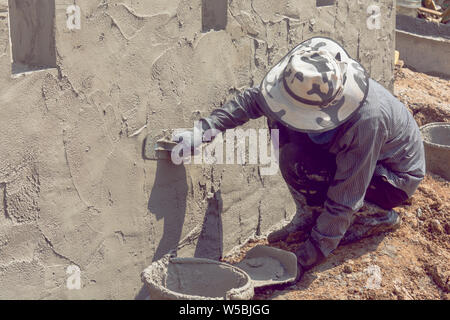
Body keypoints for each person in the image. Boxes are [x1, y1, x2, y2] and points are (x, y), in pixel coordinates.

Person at [173, 37, 425, 280]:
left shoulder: (366, 122)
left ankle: (376, 216)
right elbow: (253, 101)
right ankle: (308, 214)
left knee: (333, 188)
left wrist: (306, 257)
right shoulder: (299, 85)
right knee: (284, 133)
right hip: (356, 155)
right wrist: (202, 131)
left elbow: (346, 197)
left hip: (392, 176)